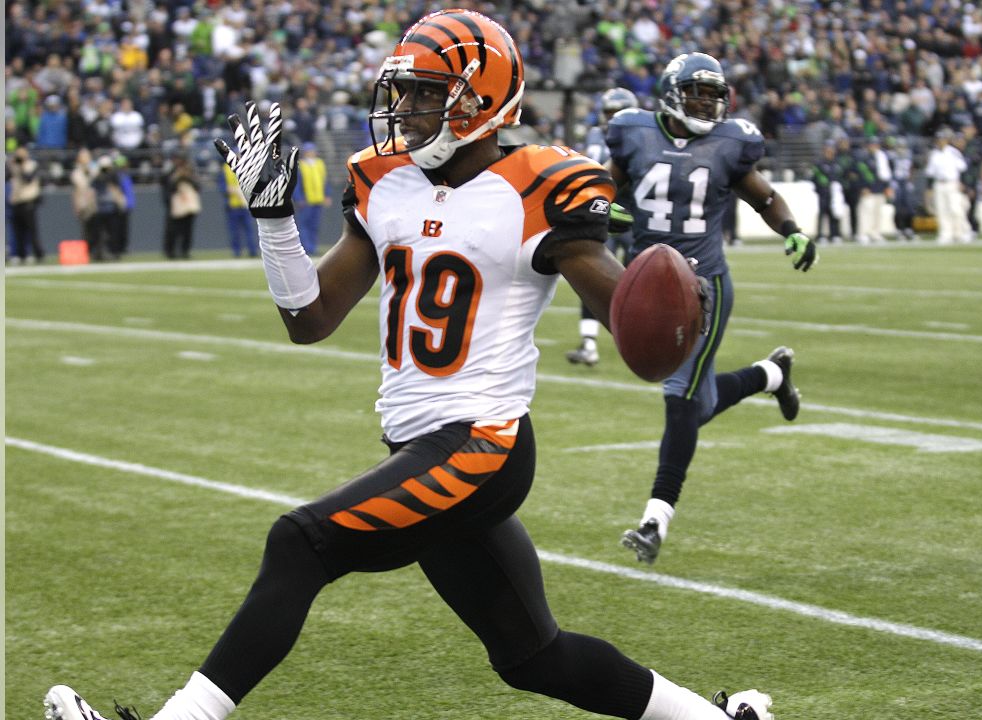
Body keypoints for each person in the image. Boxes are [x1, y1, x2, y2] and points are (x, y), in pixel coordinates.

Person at [44, 11, 773, 720]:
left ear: (483, 98)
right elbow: (310, 317)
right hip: (421, 446)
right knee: (531, 657)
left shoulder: (537, 187)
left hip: (481, 444)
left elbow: (630, 319)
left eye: (429, 91)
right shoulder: (385, 180)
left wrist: (668, 312)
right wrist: (273, 217)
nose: (406, 107)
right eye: (403, 89)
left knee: (299, 542)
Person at [607, 51, 815, 565]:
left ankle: (655, 520)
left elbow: (764, 199)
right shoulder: (632, 132)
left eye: (713, 94)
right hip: (647, 282)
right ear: (672, 93)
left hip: (704, 287)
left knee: (679, 400)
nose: (707, 103)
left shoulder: (730, 143)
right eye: (697, 92)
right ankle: (770, 374)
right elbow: (602, 185)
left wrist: (791, 230)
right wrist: (603, 206)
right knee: (695, 404)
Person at [567, 86, 638, 367]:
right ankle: (589, 343)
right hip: (600, 213)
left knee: (640, 282)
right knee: (590, 275)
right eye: (609, 112)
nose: (612, 118)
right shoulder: (596, 134)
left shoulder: (639, 137)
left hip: (632, 215)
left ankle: (644, 340)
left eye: (617, 112)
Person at [923, 129, 969, 244]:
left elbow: (962, 169)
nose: (940, 141)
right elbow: (930, 173)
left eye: (942, 139)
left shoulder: (953, 152)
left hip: (952, 183)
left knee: (955, 208)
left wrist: (962, 183)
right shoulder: (934, 154)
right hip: (939, 184)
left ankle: (961, 232)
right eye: (939, 139)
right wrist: (929, 189)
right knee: (942, 210)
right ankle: (945, 233)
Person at [6, 145, 44, 263]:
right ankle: (20, 254)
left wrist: (21, 166)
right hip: (17, 200)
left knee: (32, 230)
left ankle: (38, 254)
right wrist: (11, 165)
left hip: (28, 201)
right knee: (18, 230)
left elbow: (28, 179)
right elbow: (6, 177)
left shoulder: (32, 165)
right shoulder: (13, 166)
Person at [853, 136, 892, 245]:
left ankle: (875, 233)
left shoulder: (881, 157)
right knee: (865, 213)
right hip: (868, 190)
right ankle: (862, 234)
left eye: (875, 144)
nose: (873, 147)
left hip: (879, 189)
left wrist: (886, 187)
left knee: (877, 213)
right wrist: (863, 187)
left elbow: (885, 174)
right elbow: (860, 174)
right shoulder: (863, 158)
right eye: (871, 144)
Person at [163, 155, 201, 259]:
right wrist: (177, 177)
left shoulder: (190, 172)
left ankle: (185, 251)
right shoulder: (171, 172)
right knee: (173, 230)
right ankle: (170, 252)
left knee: (187, 231)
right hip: (175, 206)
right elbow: (167, 187)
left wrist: (187, 177)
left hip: (188, 206)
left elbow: (198, 186)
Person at [293, 142, 327, 255]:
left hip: (318, 199)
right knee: (304, 225)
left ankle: (313, 247)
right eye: (309, 151)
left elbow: (324, 181)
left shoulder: (319, 163)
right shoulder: (300, 165)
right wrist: (299, 198)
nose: (311, 153)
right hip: (306, 201)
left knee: (314, 225)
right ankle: (307, 247)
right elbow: (296, 184)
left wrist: (326, 195)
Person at [218, 161, 258, 257]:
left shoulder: (246, 167)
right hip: (233, 205)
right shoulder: (225, 170)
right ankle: (237, 252)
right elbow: (222, 187)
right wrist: (228, 190)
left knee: (249, 230)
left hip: (245, 204)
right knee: (235, 231)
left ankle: (252, 251)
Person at [810, 143, 842, 244]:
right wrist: (821, 186)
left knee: (835, 213)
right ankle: (821, 235)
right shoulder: (819, 163)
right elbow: (815, 177)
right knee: (822, 213)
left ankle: (835, 234)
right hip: (823, 192)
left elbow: (840, 176)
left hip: (835, 192)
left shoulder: (836, 163)